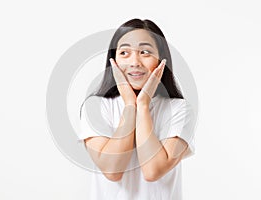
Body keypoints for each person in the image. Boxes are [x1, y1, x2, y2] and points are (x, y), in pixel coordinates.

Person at [77, 18, 195, 200]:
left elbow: (152, 170)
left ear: (161, 60)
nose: (134, 62)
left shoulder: (178, 109)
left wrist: (143, 105)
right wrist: (130, 106)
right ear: (113, 60)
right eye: (124, 52)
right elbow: (112, 170)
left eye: (145, 52)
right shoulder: (95, 107)